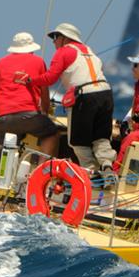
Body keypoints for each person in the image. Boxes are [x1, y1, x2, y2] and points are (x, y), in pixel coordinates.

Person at [19, 23, 115, 174]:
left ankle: (91, 173)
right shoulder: (89, 51)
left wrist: (31, 80)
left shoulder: (63, 51)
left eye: (55, 37)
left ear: (65, 38)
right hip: (106, 93)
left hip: (85, 96)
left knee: (78, 141)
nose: (53, 41)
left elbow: (50, 78)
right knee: (101, 137)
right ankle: (107, 165)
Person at [0, 32, 58, 156]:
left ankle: (6, 171)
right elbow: (44, 93)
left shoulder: (0, 63)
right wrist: (45, 112)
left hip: (3, 117)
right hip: (29, 115)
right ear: (31, 49)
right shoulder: (38, 61)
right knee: (51, 133)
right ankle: (41, 170)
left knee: (6, 149)